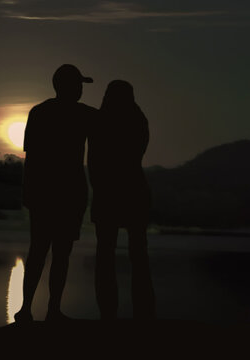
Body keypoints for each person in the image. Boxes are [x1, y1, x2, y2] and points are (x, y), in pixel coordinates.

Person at [14, 64, 97, 323]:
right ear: (71, 87)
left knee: (40, 250)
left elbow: (31, 158)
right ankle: (49, 310)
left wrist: (29, 193)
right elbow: (114, 125)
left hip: (45, 193)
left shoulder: (39, 112)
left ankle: (29, 309)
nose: (81, 90)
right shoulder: (84, 115)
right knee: (59, 253)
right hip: (68, 193)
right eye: (79, 85)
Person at [88, 80, 156, 321]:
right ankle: (144, 312)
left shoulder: (100, 121)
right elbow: (137, 151)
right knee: (138, 254)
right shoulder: (139, 119)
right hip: (135, 191)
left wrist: (100, 188)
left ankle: (108, 313)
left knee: (105, 255)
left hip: (109, 194)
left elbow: (94, 163)